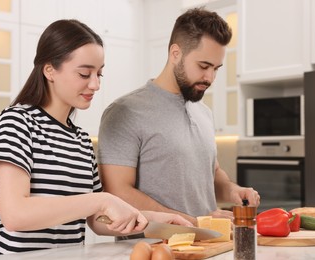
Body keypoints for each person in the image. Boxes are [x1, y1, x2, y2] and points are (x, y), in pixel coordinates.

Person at [0, 19, 192, 255]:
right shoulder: (18, 122)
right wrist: (102, 200)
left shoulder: (82, 140)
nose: (95, 84)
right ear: (49, 70)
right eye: (84, 73)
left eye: (99, 74)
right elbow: (15, 214)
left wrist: (155, 219)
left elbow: (97, 220)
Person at [97, 7, 260, 227]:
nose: (210, 77)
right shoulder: (125, 112)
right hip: (149, 249)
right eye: (203, 66)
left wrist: (233, 191)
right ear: (176, 53)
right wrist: (196, 223)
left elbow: (211, 173)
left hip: (208, 247)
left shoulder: (203, 112)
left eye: (216, 68)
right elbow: (118, 192)